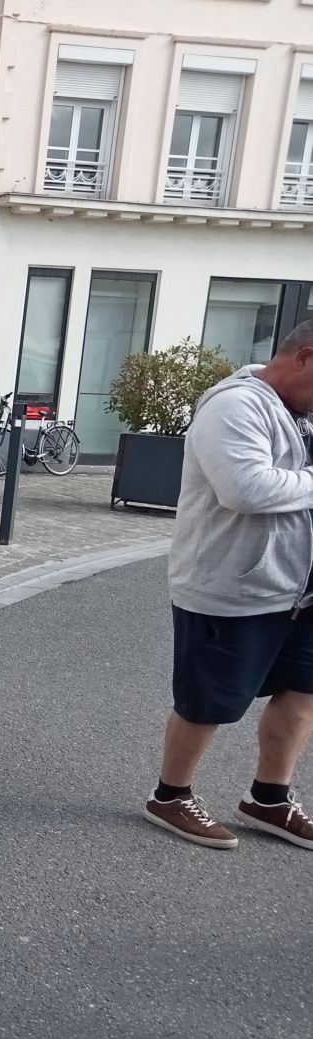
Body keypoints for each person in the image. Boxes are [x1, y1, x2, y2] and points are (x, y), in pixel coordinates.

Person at [145, 319, 313, 850]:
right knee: (207, 700)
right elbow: (246, 488)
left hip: (300, 589)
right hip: (234, 588)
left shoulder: (303, 412)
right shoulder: (234, 406)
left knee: (302, 692)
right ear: (305, 358)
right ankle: (170, 797)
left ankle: (269, 799)